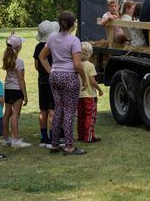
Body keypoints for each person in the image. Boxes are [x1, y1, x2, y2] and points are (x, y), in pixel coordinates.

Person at [38, 11, 87, 155]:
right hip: (70, 77)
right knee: (69, 111)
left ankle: (54, 145)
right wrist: (84, 78)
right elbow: (77, 65)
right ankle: (69, 146)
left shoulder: (52, 38)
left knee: (58, 109)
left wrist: (51, 70)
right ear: (72, 24)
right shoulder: (74, 40)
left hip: (55, 77)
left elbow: (42, 56)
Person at [1, 33, 31, 148]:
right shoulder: (19, 61)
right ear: (18, 47)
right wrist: (25, 94)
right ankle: (15, 140)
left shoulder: (6, 57)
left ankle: (5, 139)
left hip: (7, 88)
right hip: (16, 89)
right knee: (15, 115)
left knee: (7, 114)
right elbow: (21, 79)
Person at [34, 20, 58, 147]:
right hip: (52, 80)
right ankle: (53, 138)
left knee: (43, 110)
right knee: (52, 109)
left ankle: (44, 138)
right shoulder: (52, 46)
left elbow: (37, 66)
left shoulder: (38, 47)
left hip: (41, 80)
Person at [77, 42, 103, 143]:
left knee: (81, 116)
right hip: (89, 95)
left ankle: (81, 135)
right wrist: (99, 90)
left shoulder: (77, 65)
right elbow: (92, 81)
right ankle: (89, 136)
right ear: (90, 53)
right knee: (90, 116)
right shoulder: (90, 66)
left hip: (79, 95)